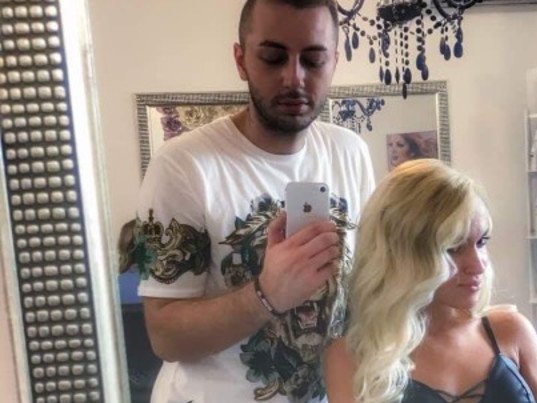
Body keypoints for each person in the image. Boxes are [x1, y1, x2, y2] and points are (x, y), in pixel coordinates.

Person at [131, 0, 375, 402]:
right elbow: (165, 337)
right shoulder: (182, 166)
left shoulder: (350, 152)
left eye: (313, 60)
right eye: (273, 57)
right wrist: (267, 295)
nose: (294, 77)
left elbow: (363, 292)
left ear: (334, 61)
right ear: (241, 60)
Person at [323, 159, 537, 403]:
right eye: (454, 247)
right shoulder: (352, 358)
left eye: (481, 242)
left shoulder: (510, 332)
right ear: (402, 254)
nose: (478, 265)